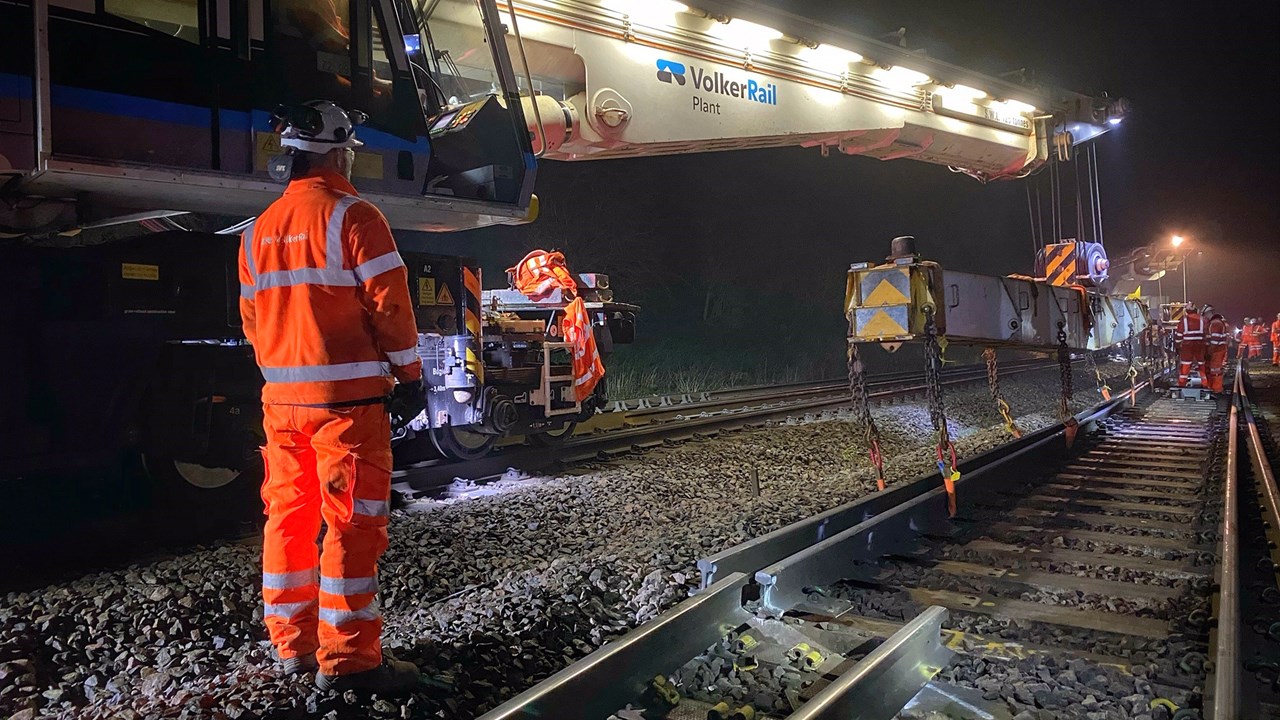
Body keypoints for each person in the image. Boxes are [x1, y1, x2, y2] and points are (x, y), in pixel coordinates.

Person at [239, 100, 425, 694]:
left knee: (287, 517)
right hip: (347, 407)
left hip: (281, 404)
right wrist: (412, 375)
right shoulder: (355, 215)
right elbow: (389, 305)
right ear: (340, 151)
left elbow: (252, 321)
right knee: (352, 524)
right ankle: (348, 660)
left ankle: (292, 644)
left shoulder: (256, 231)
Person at [1174, 304, 1205, 388]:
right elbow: (1208, 333)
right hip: (1200, 345)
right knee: (1202, 365)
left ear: (1186, 311)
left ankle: (1182, 384)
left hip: (1187, 346)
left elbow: (1179, 335)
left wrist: (1177, 346)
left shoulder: (1184, 320)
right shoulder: (1203, 319)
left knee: (1185, 365)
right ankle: (1206, 384)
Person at [1203, 304, 1228, 393]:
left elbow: (1214, 340)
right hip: (1216, 350)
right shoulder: (1215, 323)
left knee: (1215, 370)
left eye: (1205, 315)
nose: (1205, 317)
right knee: (1211, 369)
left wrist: (1209, 352)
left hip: (1217, 351)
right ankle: (1211, 387)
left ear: (1208, 313)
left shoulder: (1215, 323)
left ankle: (1217, 389)